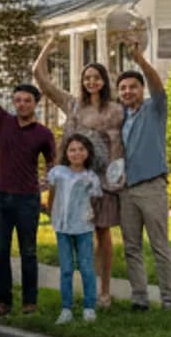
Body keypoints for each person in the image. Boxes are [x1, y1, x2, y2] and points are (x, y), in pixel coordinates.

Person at [31, 37, 125, 308]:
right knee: (75, 234)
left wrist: (115, 177)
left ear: (104, 81)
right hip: (73, 180)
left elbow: (121, 146)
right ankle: (83, 291)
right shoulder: (72, 104)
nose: (91, 82)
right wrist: (48, 46)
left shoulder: (115, 109)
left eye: (96, 77)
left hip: (102, 181)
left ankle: (104, 290)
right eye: (87, 78)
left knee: (102, 234)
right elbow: (41, 78)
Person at [0, 36, 57, 321]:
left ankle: (29, 303)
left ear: (36, 104)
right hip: (0, 199)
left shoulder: (43, 134)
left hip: (28, 200)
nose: (21, 104)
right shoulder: (3, 121)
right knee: (0, 252)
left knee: (29, 253)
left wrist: (50, 198)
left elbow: (53, 168)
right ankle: (3, 302)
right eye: (17, 100)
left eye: (27, 100)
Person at [113, 31, 171, 310]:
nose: (128, 91)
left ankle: (169, 300)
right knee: (131, 248)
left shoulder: (155, 108)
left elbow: (156, 83)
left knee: (160, 246)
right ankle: (139, 298)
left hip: (152, 186)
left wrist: (139, 59)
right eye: (123, 88)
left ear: (141, 89)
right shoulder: (119, 116)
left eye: (132, 87)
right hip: (126, 190)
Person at [43, 133, 103, 324]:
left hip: (84, 228)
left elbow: (95, 202)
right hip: (62, 227)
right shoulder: (58, 172)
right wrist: (52, 213)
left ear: (87, 152)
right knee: (66, 269)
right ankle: (66, 309)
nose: (76, 153)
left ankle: (89, 307)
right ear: (66, 153)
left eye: (80, 149)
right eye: (72, 150)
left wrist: (91, 217)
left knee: (86, 268)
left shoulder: (91, 177)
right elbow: (51, 196)